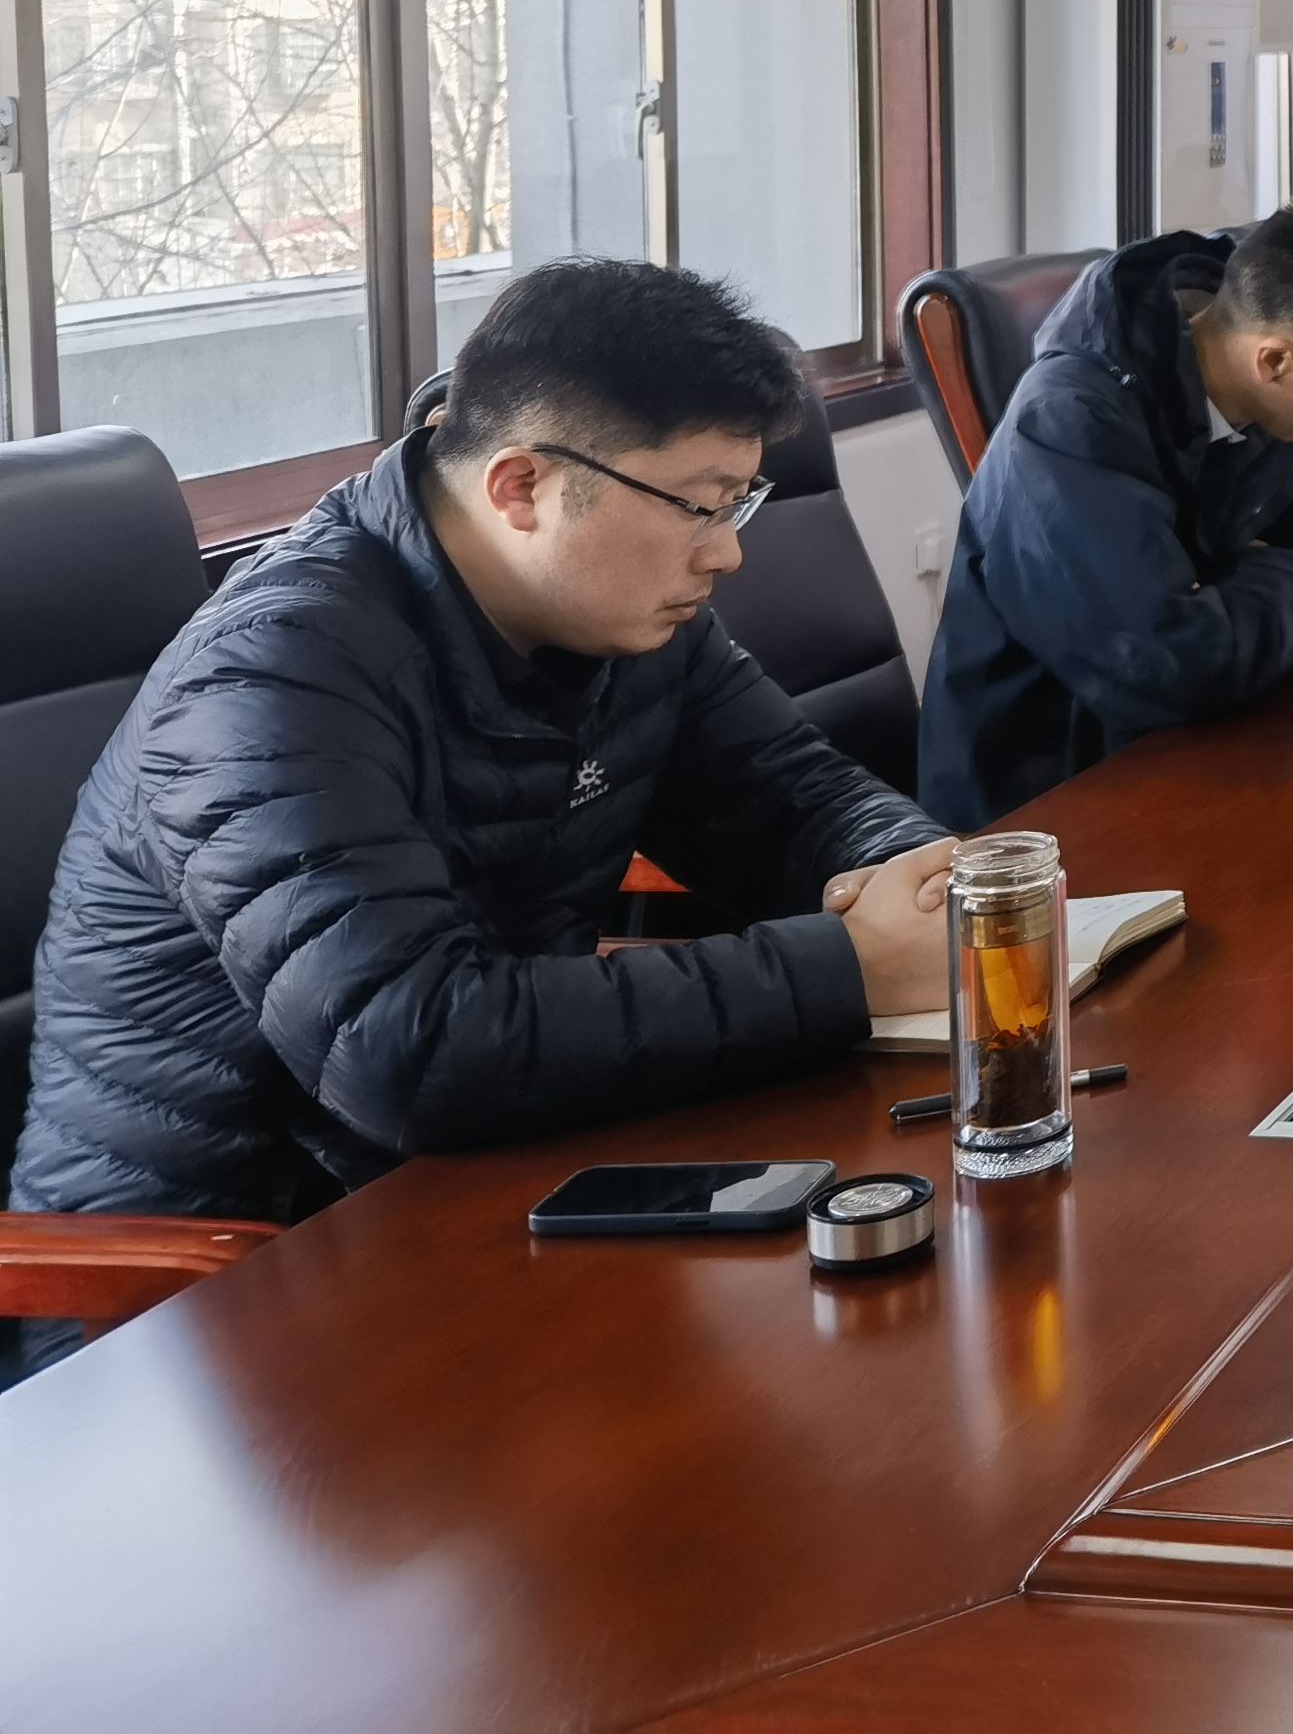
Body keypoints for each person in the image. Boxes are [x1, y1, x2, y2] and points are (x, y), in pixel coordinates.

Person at [9, 260, 952, 1227]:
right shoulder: (270, 677)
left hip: (480, 1171)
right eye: (699, 506)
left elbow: (793, 799)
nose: (728, 551)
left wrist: (933, 889)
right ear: (520, 486)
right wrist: (848, 966)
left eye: (740, 502)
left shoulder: (619, 614)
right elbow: (406, 1051)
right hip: (220, 1259)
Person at [920, 190, 1293, 824]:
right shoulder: (1066, 422)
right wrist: (1272, 578)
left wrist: (1223, 600)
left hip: (1211, 746)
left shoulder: (1289, 408)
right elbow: (1165, 666)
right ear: (1275, 360)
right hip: (1051, 805)